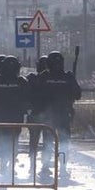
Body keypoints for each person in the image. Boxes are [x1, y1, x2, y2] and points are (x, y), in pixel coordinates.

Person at [36, 50, 82, 180]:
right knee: (64, 143)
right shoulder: (68, 77)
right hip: (63, 115)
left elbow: (36, 96)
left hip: (49, 117)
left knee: (48, 143)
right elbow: (78, 94)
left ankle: (45, 168)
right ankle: (62, 169)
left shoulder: (44, 77)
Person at [0, 55, 28, 180]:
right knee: (8, 145)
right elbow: (28, 100)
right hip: (11, 120)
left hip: (0, 119)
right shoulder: (20, 81)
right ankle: (0, 170)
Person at [26, 56, 50, 179]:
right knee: (44, 142)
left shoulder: (33, 78)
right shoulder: (37, 78)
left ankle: (37, 166)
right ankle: (41, 166)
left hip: (39, 114)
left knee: (36, 142)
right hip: (41, 115)